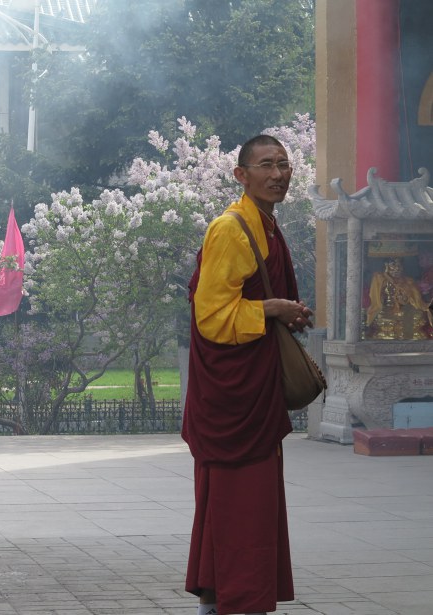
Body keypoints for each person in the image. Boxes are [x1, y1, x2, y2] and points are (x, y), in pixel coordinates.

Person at [182, 135, 313, 615]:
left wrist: (287, 312)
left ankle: (218, 601)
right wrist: (272, 309)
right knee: (238, 505)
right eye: (266, 165)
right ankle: (233, 603)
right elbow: (212, 317)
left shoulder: (268, 227)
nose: (278, 174)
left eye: (284, 164)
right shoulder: (230, 229)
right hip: (232, 400)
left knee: (247, 506)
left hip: (255, 391)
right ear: (241, 175)